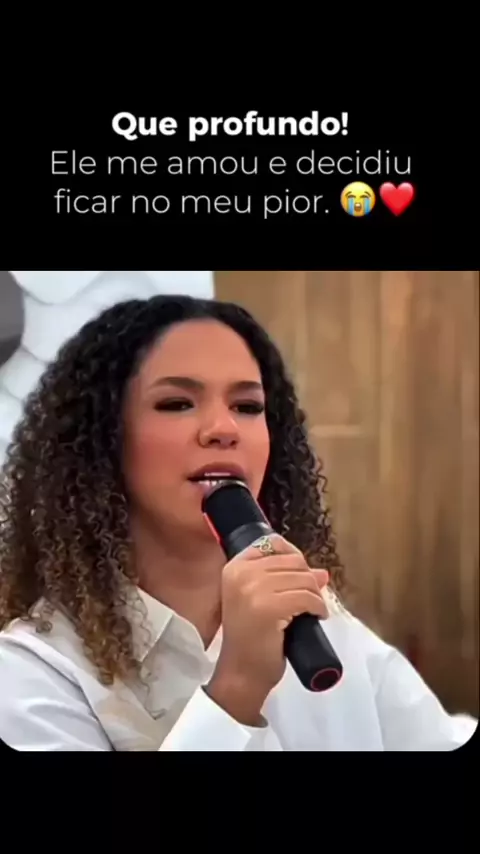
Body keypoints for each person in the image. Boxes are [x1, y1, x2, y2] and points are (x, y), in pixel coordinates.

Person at [0, 295, 476, 751]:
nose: (224, 429)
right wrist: (238, 686)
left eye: (247, 407)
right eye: (177, 403)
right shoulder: (34, 670)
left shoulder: (316, 622)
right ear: (102, 441)